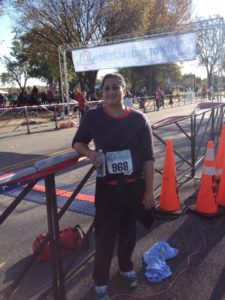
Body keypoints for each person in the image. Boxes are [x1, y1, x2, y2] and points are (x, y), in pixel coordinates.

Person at [72, 73, 155, 300]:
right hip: (107, 188)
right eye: (106, 88)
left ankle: (126, 268)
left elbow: (148, 158)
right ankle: (100, 282)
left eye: (115, 87)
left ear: (124, 90)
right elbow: (77, 142)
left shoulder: (139, 119)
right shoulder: (92, 117)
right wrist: (89, 153)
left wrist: (149, 191)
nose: (110, 92)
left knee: (129, 231)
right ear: (102, 92)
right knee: (105, 235)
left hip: (132, 187)